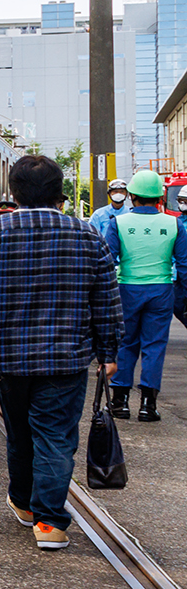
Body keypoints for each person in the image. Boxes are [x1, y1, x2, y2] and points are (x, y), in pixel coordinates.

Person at [0, 154, 122, 552]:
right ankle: (49, 523)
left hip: (8, 356)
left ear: (15, 193)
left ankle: (24, 504)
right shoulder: (87, 235)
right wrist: (109, 351)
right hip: (66, 357)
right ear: (60, 193)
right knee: (56, 436)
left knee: (19, 432)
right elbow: (106, 300)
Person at [100, 169, 187, 422]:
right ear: (160, 198)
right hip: (161, 289)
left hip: (127, 289)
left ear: (132, 196)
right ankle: (148, 405)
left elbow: (108, 261)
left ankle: (120, 402)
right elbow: (183, 265)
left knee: (126, 343)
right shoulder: (174, 224)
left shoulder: (118, 223)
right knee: (154, 345)